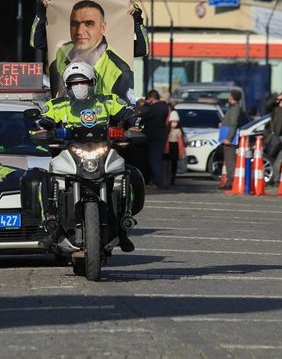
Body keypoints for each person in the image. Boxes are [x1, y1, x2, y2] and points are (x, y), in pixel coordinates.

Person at [40, 62, 140, 252]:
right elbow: (43, 121)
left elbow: (130, 114)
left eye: (84, 82)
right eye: (74, 83)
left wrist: (134, 125)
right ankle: (52, 225)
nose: (80, 86)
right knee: (44, 179)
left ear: (93, 82)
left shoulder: (108, 101)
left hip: (103, 151)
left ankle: (123, 226)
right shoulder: (57, 104)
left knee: (129, 175)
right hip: (70, 153)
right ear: (67, 86)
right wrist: (42, 128)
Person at [31, 0, 147, 102]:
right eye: (75, 24)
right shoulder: (63, 51)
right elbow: (36, 42)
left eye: (89, 24)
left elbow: (143, 49)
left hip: (100, 118)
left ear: (102, 28)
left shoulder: (119, 71)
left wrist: (138, 22)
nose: (80, 31)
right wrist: (40, 15)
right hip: (65, 117)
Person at [138, 89, 169, 189]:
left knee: (154, 160)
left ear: (151, 98)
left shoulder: (152, 109)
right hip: (161, 136)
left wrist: (145, 104)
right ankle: (157, 181)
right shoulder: (164, 107)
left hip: (153, 137)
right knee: (157, 160)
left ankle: (157, 183)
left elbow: (140, 113)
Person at [219, 89, 247, 189]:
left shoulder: (235, 109)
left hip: (230, 138)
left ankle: (231, 182)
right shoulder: (232, 107)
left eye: (230, 96)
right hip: (227, 135)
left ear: (232, 97)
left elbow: (233, 124)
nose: (228, 97)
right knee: (228, 160)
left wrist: (228, 138)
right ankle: (229, 181)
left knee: (230, 160)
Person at [164, 106, 186, 186]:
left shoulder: (179, 130)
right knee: (167, 163)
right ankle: (167, 178)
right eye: (173, 121)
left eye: (176, 122)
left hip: (175, 147)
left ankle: (172, 178)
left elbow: (180, 142)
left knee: (174, 163)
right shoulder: (167, 130)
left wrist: (182, 152)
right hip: (168, 147)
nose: (174, 123)